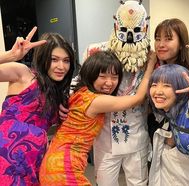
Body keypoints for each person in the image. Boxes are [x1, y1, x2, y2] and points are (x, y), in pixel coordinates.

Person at [59, 1, 152, 185]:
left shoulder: (150, 56)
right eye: (125, 29)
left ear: (145, 27)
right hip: (103, 133)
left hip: (136, 132)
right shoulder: (95, 51)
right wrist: (66, 102)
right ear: (116, 24)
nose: (130, 37)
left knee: (139, 182)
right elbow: (79, 82)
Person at [39, 50, 156, 186]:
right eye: (102, 76)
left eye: (114, 77)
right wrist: (150, 66)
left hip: (53, 161)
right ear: (91, 75)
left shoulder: (81, 92)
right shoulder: (96, 100)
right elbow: (137, 99)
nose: (109, 82)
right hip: (64, 168)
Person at [0, 28, 76, 185]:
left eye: (66, 60)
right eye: (54, 59)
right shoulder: (23, 73)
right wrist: (10, 56)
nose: (61, 66)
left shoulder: (58, 93)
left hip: (35, 160)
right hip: (6, 156)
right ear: (43, 58)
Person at [147, 18, 189, 186]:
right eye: (157, 38)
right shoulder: (158, 68)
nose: (161, 44)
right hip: (170, 140)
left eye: (168, 39)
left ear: (182, 42)